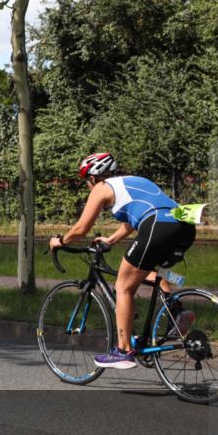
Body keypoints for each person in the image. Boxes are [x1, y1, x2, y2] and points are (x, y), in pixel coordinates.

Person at [48, 153, 196, 369]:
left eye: (86, 181)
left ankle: (124, 351)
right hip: (185, 223)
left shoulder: (101, 187)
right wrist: (111, 239)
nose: (89, 186)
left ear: (93, 176)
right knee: (148, 271)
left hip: (157, 225)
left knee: (123, 286)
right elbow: (134, 219)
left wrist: (60, 241)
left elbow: (81, 229)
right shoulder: (134, 181)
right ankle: (178, 312)